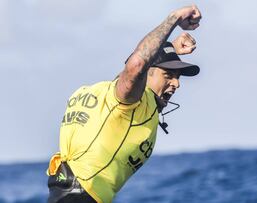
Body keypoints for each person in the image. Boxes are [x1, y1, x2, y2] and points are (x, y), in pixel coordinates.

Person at [46, 4, 202, 203]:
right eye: (168, 75)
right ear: (146, 74)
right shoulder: (136, 100)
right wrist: (173, 19)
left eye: (178, 77)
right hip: (83, 195)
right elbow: (136, 66)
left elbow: (130, 72)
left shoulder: (108, 95)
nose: (176, 84)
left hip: (67, 193)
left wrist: (168, 46)